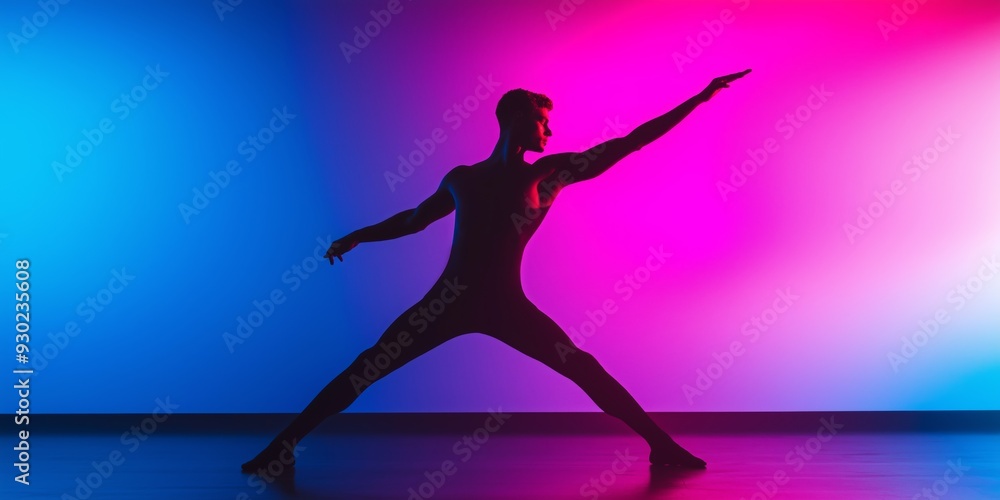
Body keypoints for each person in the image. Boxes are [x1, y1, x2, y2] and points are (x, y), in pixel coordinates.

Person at [242, 69, 752, 474]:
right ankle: (282, 446)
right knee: (367, 367)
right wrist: (358, 235)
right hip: (447, 301)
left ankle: (660, 445)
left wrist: (699, 98)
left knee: (584, 369)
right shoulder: (462, 178)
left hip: (508, 306)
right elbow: (414, 219)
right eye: (543, 120)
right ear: (515, 117)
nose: (550, 130)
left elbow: (631, 141)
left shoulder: (548, 175)